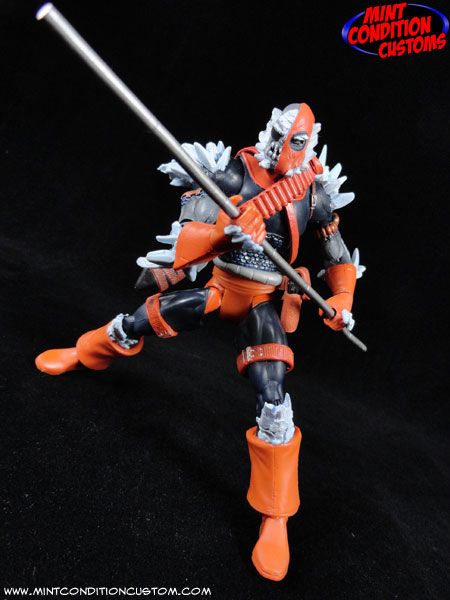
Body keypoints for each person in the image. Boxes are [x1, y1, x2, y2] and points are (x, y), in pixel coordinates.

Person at [35, 102, 364, 581]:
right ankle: (88, 352)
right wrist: (225, 235)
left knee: (274, 396)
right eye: (280, 136)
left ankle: (275, 514)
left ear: (308, 143)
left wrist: (343, 298)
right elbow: (189, 232)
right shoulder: (235, 174)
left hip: (262, 302)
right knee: (143, 320)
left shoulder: (312, 193)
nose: (284, 148)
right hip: (221, 286)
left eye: (296, 141)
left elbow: (337, 254)